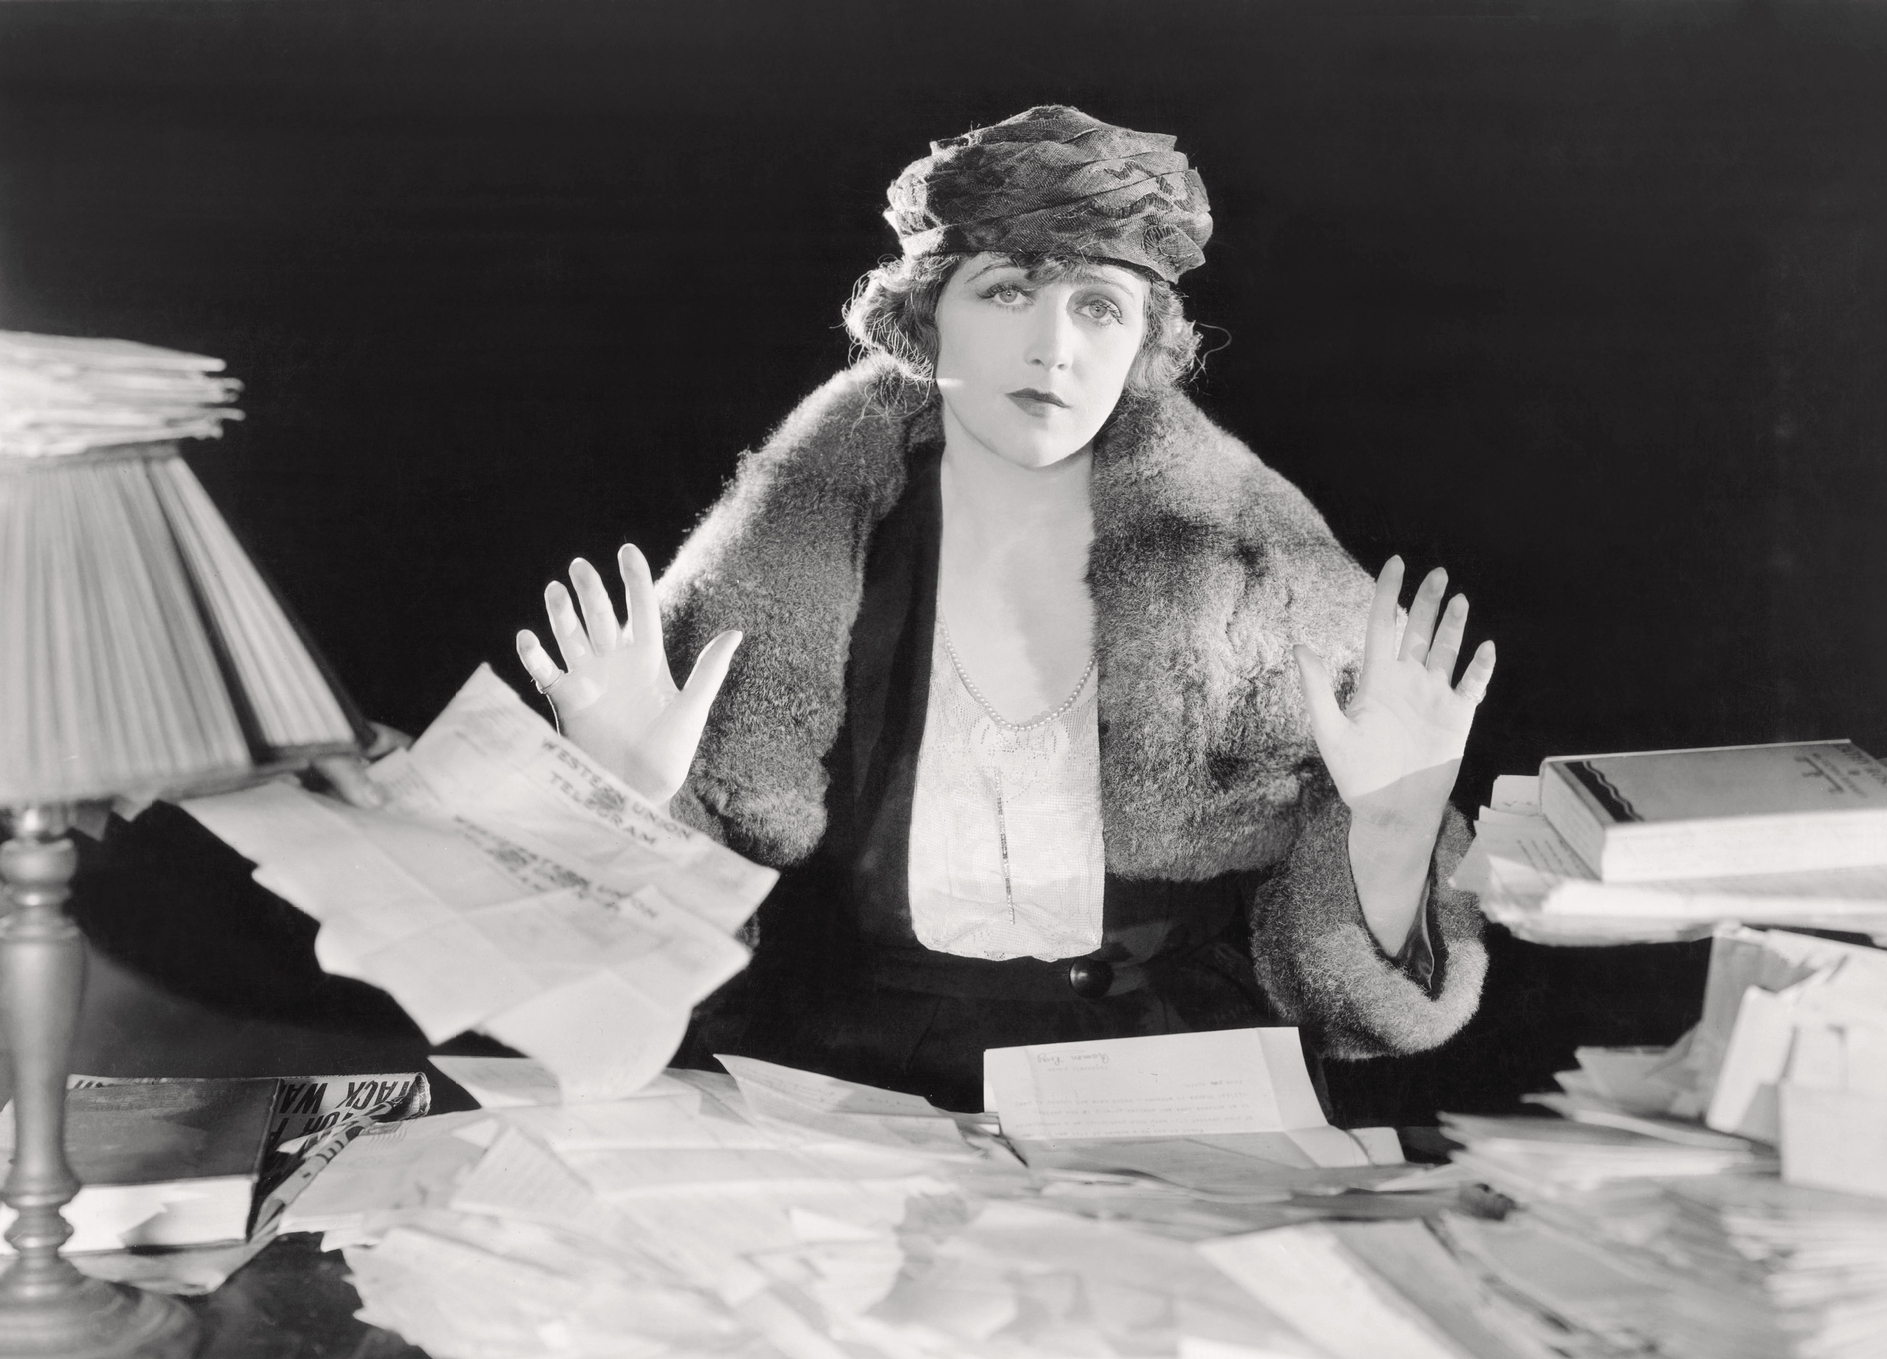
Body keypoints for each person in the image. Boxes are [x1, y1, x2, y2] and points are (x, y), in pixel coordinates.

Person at [517, 105, 1497, 1117]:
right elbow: (628, 978)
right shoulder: (779, 563)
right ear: (924, 313)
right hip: (842, 1072)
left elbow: (1345, 997)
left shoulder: (1256, 569)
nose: (1052, 347)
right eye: (1009, 291)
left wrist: (1388, 828)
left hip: (1168, 1074)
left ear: (1143, 342)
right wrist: (628, 801)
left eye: (1099, 308)